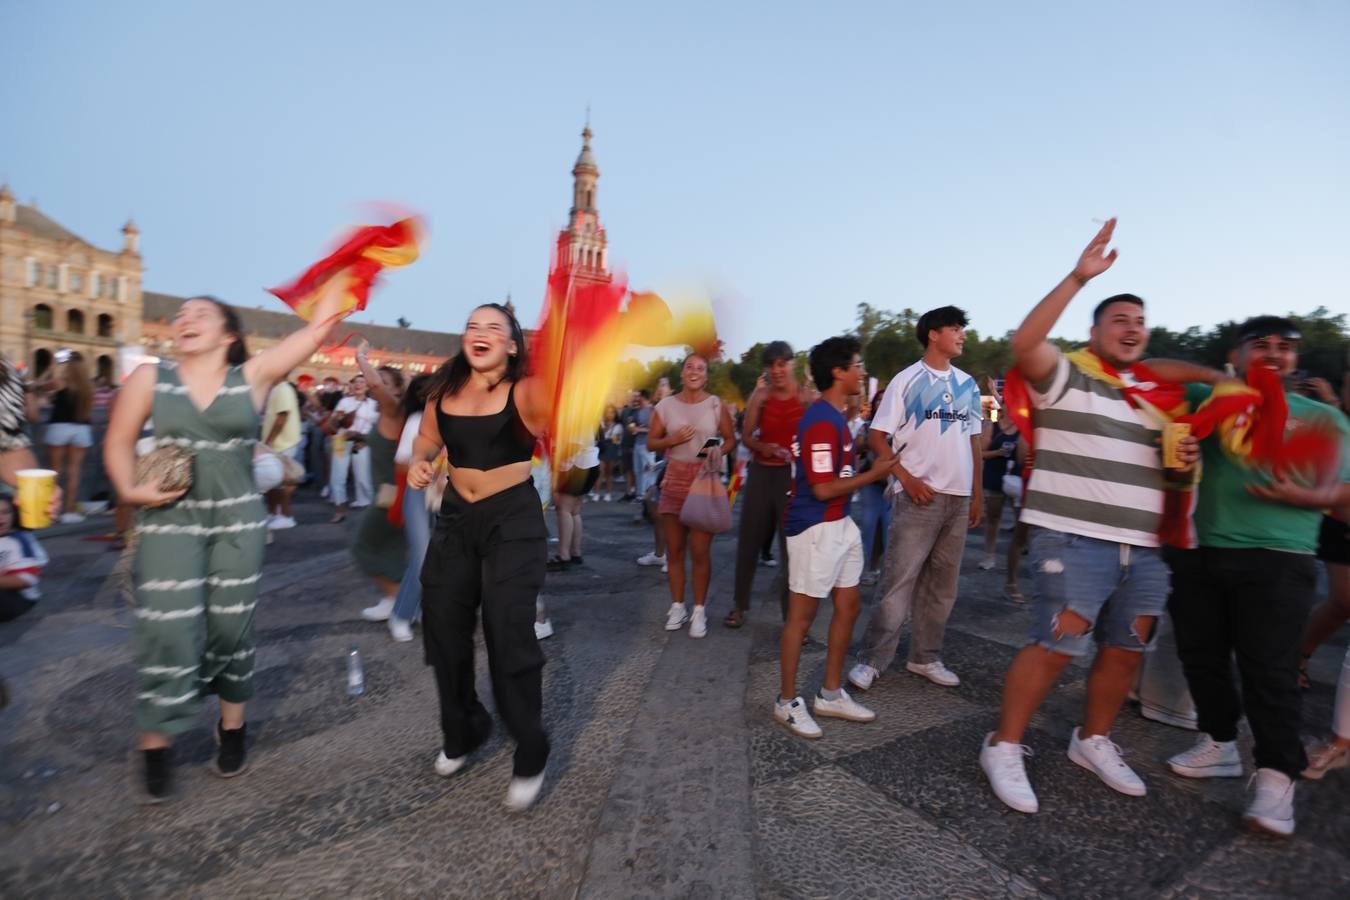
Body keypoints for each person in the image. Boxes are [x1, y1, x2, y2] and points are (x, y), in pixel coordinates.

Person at [977, 220, 1208, 816]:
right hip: (1075, 540)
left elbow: (1173, 476)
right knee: (1055, 646)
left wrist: (1183, 463)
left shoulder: (1155, 403)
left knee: (1127, 650)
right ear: (1094, 331)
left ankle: (1094, 739)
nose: (1131, 329)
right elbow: (1025, 343)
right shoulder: (1066, 376)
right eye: (1118, 320)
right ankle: (1003, 745)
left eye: (1139, 321)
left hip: (1145, 550)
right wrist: (1078, 276)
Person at [104, 286, 345, 802]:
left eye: (201, 314)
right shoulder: (152, 377)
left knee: (231, 624)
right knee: (167, 623)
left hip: (237, 517)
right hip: (170, 516)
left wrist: (340, 286)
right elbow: (118, 442)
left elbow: (315, 332)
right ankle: (155, 739)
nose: (184, 319)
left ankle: (231, 725)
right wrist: (129, 489)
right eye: (181, 314)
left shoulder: (251, 377)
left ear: (228, 334)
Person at [1165, 316, 1350, 836]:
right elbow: (1149, 369)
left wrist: (1306, 496)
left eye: (1285, 347)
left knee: (1270, 671)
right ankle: (1219, 743)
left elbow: (1346, 494)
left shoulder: (1323, 418)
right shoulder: (1212, 396)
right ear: (1238, 352)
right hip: (1199, 550)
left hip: (1279, 557)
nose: (1274, 354)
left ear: (1296, 359)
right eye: (1261, 345)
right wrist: (1221, 380)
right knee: (1200, 657)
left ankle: (1275, 778)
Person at [406, 302, 553, 812]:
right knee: (443, 628)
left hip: (512, 519)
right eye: (472, 325)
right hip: (454, 519)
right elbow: (425, 442)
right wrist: (419, 467)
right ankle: (465, 727)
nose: (481, 333)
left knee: (506, 629)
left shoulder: (526, 391)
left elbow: (570, 398)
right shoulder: (443, 391)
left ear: (512, 345)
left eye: (495, 327)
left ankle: (531, 746)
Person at [848, 306, 983, 694]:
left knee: (942, 587)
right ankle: (872, 660)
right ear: (933, 335)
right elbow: (877, 437)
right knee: (897, 582)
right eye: (954, 329)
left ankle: (925, 656)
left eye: (962, 329)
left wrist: (976, 496)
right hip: (917, 498)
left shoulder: (968, 385)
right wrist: (905, 478)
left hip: (958, 500)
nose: (961, 336)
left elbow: (973, 440)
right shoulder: (906, 381)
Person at [775, 337, 893, 738]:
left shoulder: (835, 418)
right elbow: (823, 488)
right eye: (858, 365)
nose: (863, 372)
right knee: (801, 618)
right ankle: (787, 701)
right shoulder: (822, 420)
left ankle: (830, 692)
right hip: (815, 527)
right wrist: (876, 473)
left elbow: (834, 477)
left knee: (849, 605)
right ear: (839, 373)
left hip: (840, 523)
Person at [647, 354, 737, 639]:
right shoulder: (665, 406)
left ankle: (699, 610)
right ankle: (677, 606)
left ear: (706, 375)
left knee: (700, 552)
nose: (694, 371)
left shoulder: (715, 404)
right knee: (674, 550)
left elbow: (731, 438)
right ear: (682, 372)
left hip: (703, 480)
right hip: (674, 478)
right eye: (689, 367)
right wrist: (671, 441)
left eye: (700, 368)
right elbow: (651, 442)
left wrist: (719, 451)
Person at [726, 342, 813, 628]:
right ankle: (740, 605)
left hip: (792, 477)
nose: (776, 370)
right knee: (749, 540)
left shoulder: (806, 396)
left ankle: (791, 615)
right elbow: (746, 435)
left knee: (792, 548)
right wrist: (765, 447)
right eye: (771, 365)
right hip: (762, 474)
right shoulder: (761, 396)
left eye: (781, 364)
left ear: (792, 364)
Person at [350, 345, 408, 623]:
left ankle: (397, 599)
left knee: (364, 545)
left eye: (385, 383)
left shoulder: (393, 410)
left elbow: (372, 382)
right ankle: (396, 600)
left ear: (396, 390)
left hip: (389, 494)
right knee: (394, 550)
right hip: (392, 492)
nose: (376, 385)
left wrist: (361, 358)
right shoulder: (389, 414)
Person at [387, 374, 434, 643]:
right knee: (423, 556)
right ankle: (401, 615)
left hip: (444, 495)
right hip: (417, 493)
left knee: (430, 557)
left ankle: (417, 608)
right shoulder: (417, 421)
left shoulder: (450, 420)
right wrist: (425, 465)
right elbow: (401, 463)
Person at [42, 350, 95, 523]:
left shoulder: (61, 382)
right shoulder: (88, 387)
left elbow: (38, 385)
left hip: (60, 427)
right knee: (74, 472)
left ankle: (50, 512)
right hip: (81, 430)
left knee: (54, 472)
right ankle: (69, 511)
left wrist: (52, 368)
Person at [328, 374, 378, 523]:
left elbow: (377, 428)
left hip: (362, 442)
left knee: (363, 478)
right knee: (337, 477)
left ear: (367, 386)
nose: (358, 385)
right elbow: (333, 423)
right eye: (355, 382)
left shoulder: (374, 405)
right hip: (341, 441)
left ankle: (370, 509)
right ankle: (339, 510)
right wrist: (338, 421)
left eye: (362, 382)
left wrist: (364, 438)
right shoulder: (344, 402)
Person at [977, 412, 1020, 571]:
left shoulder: (1023, 426)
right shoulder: (992, 427)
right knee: (993, 518)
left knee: (1021, 521)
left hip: (1016, 478)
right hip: (994, 476)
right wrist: (998, 453)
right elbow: (980, 452)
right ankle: (989, 555)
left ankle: (1017, 556)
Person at [854, 388, 889, 587]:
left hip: (890, 485)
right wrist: (870, 442)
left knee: (886, 527)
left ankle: (879, 568)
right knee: (868, 524)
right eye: (879, 400)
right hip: (869, 482)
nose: (881, 404)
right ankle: (865, 567)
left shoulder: (898, 427)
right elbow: (856, 447)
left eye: (886, 400)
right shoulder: (866, 427)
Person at [549, 442, 599, 570]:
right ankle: (575, 553)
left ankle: (563, 556)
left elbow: (575, 445)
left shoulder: (574, 421)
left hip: (574, 467)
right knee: (574, 511)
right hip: (589, 463)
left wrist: (554, 459)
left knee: (563, 510)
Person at [262, 379, 302, 530]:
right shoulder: (277, 388)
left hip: (283, 443)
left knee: (283, 483)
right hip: (278, 443)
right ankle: (273, 513)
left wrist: (268, 441)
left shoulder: (283, 388)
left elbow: (282, 417)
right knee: (274, 483)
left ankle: (286, 516)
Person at [0, 495, 47, 622]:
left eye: (5, 512)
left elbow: (27, 579)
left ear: (14, 514)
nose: (1, 517)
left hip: (17, 597)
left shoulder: (19, 540)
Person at [631, 389, 656, 501]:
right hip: (637, 444)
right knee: (638, 470)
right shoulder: (637, 411)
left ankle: (648, 494)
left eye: (638, 397)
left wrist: (639, 429)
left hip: (648, 445)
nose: (636, 399)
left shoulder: (652, 410)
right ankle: (639, 494)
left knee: (648, 470)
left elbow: (654, 429)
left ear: (643, 397)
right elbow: (633, 425)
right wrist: (632, 428)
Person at [595, 404, 622, 501]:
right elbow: (597, 437)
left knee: (609, 473)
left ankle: (608, 493)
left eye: (612, 412)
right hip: (601, 448)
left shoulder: (618, 426)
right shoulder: (601, 423)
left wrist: (611, 435)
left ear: (615, 414)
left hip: (612, 448)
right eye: (608, 412)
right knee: (600, 472)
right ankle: (597, 493)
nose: (610, 414)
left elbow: (617, 440)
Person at [619, 390, 641, 500]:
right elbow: (621, 425)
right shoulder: (625, 411)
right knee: (627, 469)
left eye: (637, 396)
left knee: (636, 469)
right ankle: (628, 491)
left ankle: (637, 492)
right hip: (625, 444)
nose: (635, 398)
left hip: (637, 444)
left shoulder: (642, 411)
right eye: (633, 396)